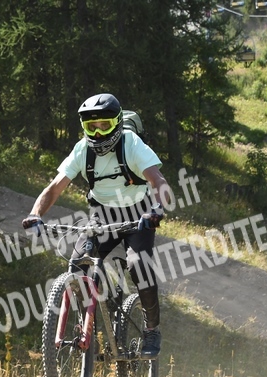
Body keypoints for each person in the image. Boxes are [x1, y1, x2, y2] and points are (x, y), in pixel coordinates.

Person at [22, 93, 172, 356]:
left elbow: (158, 180)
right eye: (92, 127)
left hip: (139, 212)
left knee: (139, 265)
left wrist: (157, 210)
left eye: (104, 125)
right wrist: (35, 214)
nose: (98, 133)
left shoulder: (131, 143)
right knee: (77, 265)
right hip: (102, 214)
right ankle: (88, 328)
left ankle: (151, 329)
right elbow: (54, 188)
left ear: (117, 123)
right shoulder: (83, 149)